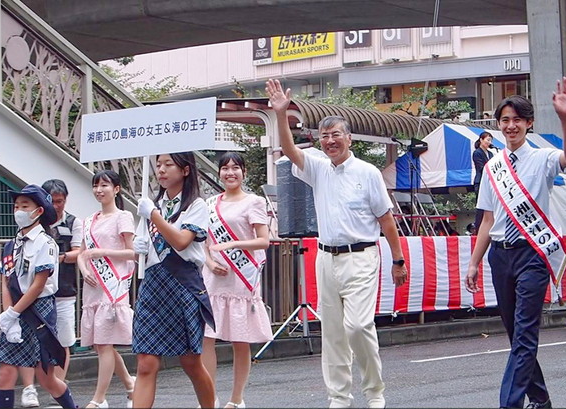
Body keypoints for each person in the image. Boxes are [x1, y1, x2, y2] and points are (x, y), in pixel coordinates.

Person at [266, 78, 408, 409]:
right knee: (332, 334)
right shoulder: (317, 168)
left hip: (361, 256)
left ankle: (374, 392)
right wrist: (280, 115)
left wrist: (398, 261)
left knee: (358, 326)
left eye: (336, 135)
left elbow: (386, 219)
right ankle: (339, 398)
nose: (330, 141)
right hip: (326, 258)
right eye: (325, 136)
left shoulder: (368, 172)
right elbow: (289, 151)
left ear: (349, 139)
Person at [466, 77, 566, 409]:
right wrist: (473, 261)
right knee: (517, 337)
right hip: (500, 256)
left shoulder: (543, 159)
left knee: (526, 333)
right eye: (505, 120)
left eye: (517, 119)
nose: (511, 125)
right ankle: (540, 400)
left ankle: (510, 404)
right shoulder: (492, 167)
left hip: (533, 254)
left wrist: (564, 118)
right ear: (498, 125)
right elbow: (487, 220)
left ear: (529, 124)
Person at [132, 152, 216, 409]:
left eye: (169, 164)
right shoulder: (152, 204)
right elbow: (144, 250)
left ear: (186, 170)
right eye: (158, 164)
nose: (161, 170)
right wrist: (139, 246)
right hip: (153, 286)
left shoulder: (196, 205)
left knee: (190, 361)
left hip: (182, 286)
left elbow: (181, 241)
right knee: (146, 362)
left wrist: (153, 215)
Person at [0, 184, 77, 409]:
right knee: (6, 372)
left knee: (46, 378)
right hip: (15, 310)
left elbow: (39, 285)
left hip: (38, 311)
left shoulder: (46, 243)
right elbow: (5, 281)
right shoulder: (11, 245)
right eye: (16, 206)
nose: (18, 210)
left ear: (38, 211)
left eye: (24, 206)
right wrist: (8, 315)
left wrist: (14, 312)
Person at [202, 152, 273, 409]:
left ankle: (236, 399)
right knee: (206, 336)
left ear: (244, 172)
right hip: (214, 277)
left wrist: (233, 244)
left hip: (242, 277)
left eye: (236, 168)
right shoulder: (209, 203)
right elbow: (205, 242)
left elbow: (263, 240)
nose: (230, 173)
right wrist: (210, 262)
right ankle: (209, 398)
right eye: (225, 168)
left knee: (239, 339)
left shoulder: (253, 202)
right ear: (219, 172)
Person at [77, 170, 136, 409]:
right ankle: (131, 386)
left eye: (104, 185)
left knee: (104, 343)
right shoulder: (89, 220)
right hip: (93, 285)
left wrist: (102, 253)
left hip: (113, 285)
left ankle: (99, 399)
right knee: (100, 343)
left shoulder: (123, 217)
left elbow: (132, 252)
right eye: (96, 185)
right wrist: (83, 268)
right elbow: (82, 252)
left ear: (116, 189)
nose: (99, 190)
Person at [42, 179, 83, 385]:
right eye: (53, 201)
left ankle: (59, 385)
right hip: (38, 291)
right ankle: (33, 386)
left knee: (64, 339)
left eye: (61, 201)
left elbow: (78, 252)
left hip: (65, 289)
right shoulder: (37, 221)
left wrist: (60, 257)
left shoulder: (74, 222)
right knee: (37, 338)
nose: (57, 206)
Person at [472, 131, 495, 234]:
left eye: (490, 140)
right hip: (481, 181)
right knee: (481, 207)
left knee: (491, 207)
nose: (489, 142)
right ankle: (478, 231)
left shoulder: (490, 153)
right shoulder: (477, 153)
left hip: (490, 182)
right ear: (481, 140)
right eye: (487, 140)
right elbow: (481, 167)